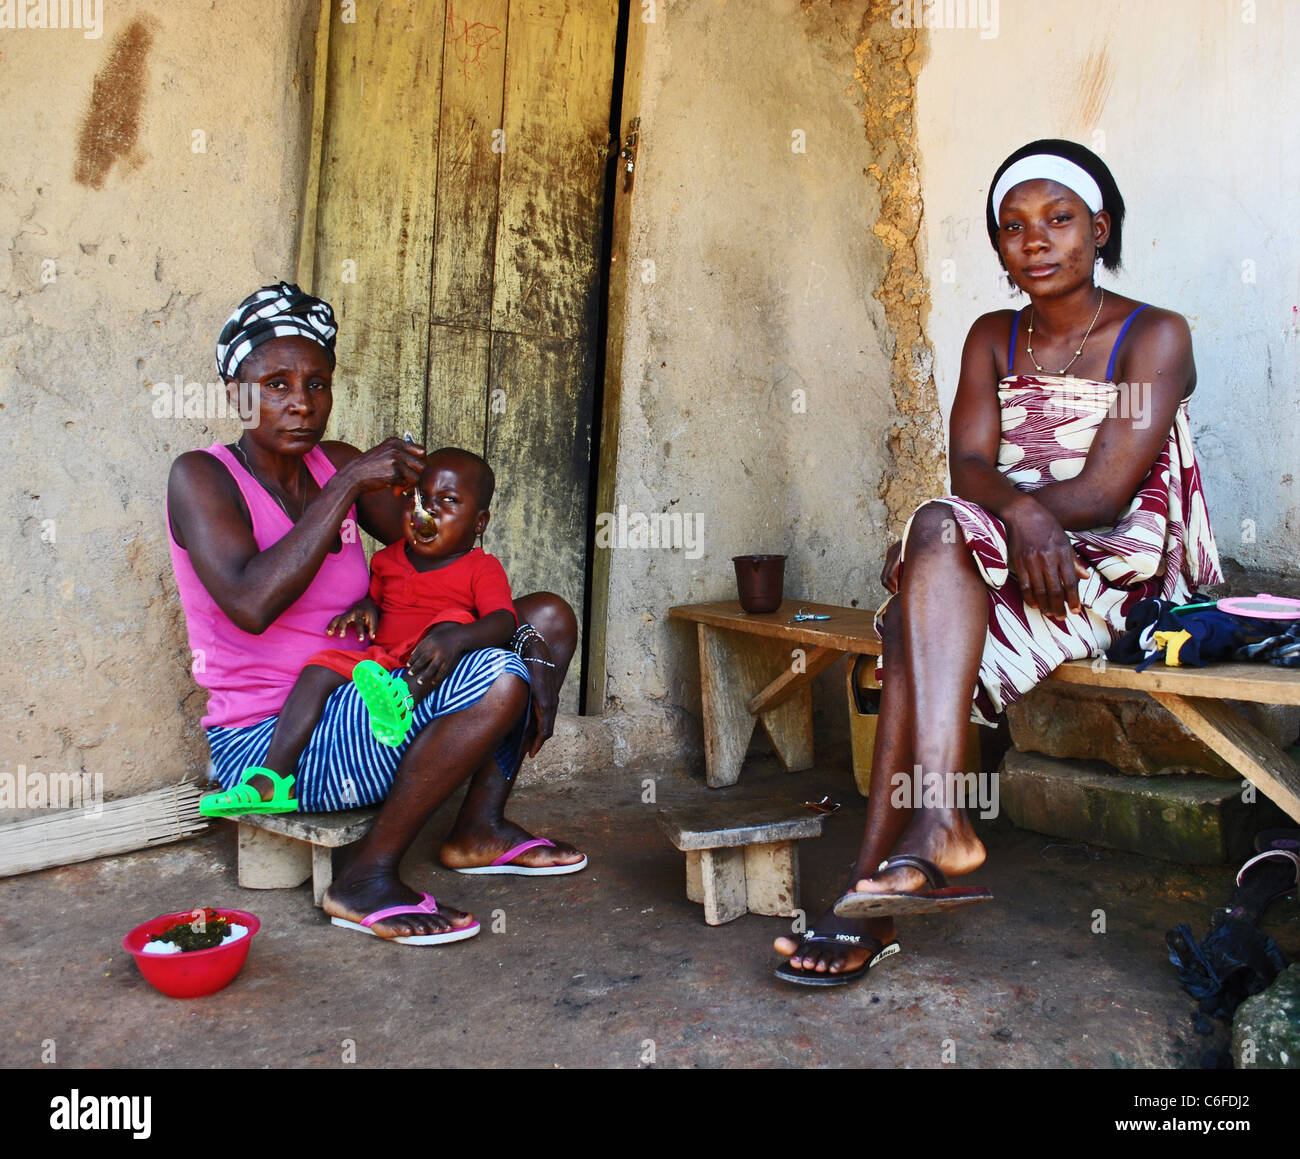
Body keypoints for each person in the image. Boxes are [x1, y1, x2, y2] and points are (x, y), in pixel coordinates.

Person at [775, 140, 1222, 985]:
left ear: (1101, 227)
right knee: (929, 571)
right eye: (1012, 228)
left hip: (1107, 566)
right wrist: (997, 517)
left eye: (1059, 220)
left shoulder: (1153, 334)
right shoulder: (992, 336)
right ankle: (926, 835)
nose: (1036, 241)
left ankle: (873, 888)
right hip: (1007, 545)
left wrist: (961, 532)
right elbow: (969, 470)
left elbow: (1103, 489)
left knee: (926, 572)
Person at [168, 282, 585, 947]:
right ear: (235, 392)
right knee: (499, 676)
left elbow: (428, 554)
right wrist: (347, 485)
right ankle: (364, 877)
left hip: (368, 691)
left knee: (544, 620)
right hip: (275, 742)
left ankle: (479, 824)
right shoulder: (203, 476)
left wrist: (436, 508)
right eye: (275, 384)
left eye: (317, 383)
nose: (302, 403)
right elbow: (250, 603)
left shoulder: (336, 461)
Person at [197, 447, 525, 816]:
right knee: (318, 669)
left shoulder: (481, 568)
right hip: (381, 661)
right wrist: (364, 608)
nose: (428, 510)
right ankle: (273, 776)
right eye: (421, 498)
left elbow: (504, 621)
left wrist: (458, 638)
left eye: (448, 501)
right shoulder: (388, 559)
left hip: (428, 662)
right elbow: (377, 597)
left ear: (480, 523)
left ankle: (403, 702)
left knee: (451, 620)